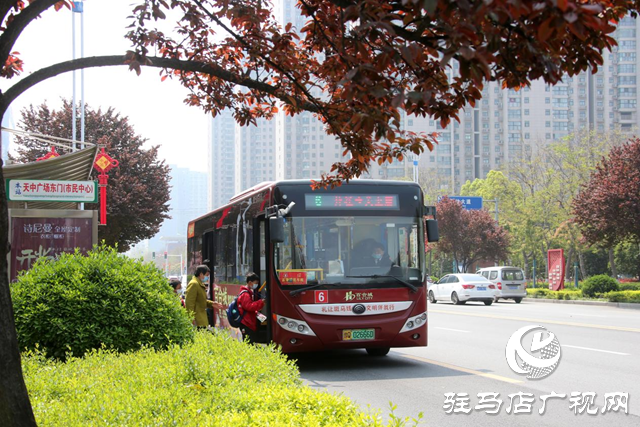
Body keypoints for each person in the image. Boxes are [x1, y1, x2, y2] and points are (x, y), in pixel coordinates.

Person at [237, 272, 265, 344]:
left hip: (248, 321)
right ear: (250, 282)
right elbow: (249, 306)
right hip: (246, 322)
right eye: (255, 283)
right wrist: (260, 302)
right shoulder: (245, 294)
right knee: (249, 342)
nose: (256, 285)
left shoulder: (248, 292)